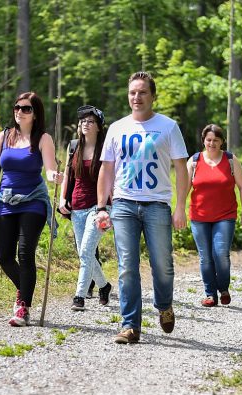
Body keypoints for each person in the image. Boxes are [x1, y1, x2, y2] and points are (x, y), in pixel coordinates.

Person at [95, 71, 188, 344]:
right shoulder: (117, 128)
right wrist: (102, 206)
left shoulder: (168, 127)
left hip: (157, 205)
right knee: (127, 266)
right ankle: (130, 325)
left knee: (162, 265)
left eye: (142, 92)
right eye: (132, 92)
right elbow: (107, 169)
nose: (137, 97)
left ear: (153, 96)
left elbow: (182, 169)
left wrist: (180, 206)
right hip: (123, 204)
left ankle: (164, 305)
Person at [0, 91, 63, 327]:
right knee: (4, 256)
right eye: (17, 107)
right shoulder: (4, 136)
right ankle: (24, 288)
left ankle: (23, 306)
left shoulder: (43, 138)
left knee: (25, 253)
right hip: (5, 200)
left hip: (33, 201)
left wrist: (54, 176)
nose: (19, 112)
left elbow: (49, 169)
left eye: (26, 108)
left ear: (35, 114)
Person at [187, 124, 242, 307]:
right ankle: (210, 294)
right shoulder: (194, 161)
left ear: (222, 141)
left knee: (221, 254)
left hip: (225, 215)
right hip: (199, 216)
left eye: (216, 140)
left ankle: (223, 289)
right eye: (208, 140)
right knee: (205, 257)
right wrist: (177, 210)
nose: (212, 143)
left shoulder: (230, 160)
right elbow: (183, 188)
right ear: (203, 141)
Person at [58, 105, 112, 311]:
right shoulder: (73, 146)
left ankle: (79, 296)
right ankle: (104, 286)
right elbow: (68, 175)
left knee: (87, 251)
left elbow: (112, 178)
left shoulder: (106, 148)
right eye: (82, 122)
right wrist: (63, 199)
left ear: (99, 126)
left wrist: (113, 207)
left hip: (99, 207)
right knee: (84, 252)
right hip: (77, 206)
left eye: (90, 121)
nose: (85, 125)